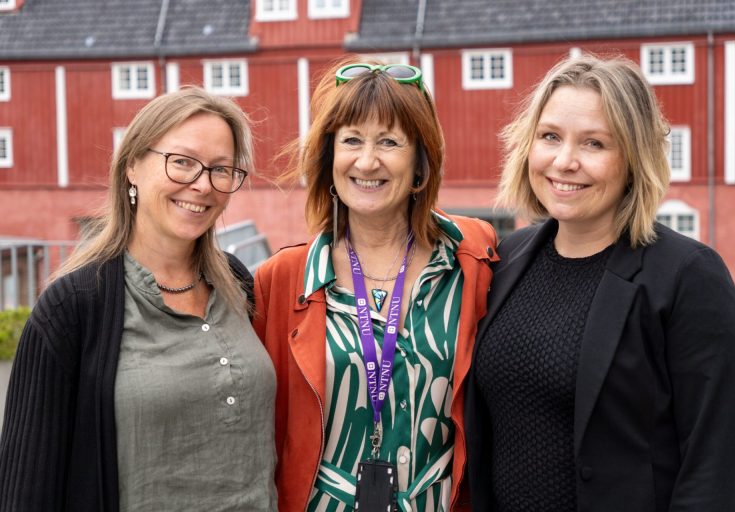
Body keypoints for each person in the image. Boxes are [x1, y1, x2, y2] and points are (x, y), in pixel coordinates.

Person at [464, 54, 735, 511]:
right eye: (550, 137)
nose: (564, 161)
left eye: (594, 144)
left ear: (634, 158)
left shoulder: (688, 277)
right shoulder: (507, 259)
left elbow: (713, 465)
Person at [0, 86, 277, 511]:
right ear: (132, 165)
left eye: (221, 169)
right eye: (182, 162)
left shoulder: (237, 284)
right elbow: (26, 488)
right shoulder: (73, 307)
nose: (202, 185)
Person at [254, 58, 498, 511]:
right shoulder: (284, 280)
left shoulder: (471, 260)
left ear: (421, 163)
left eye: (389, 141)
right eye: (351, 140)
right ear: (329, 158)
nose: (367, 161)